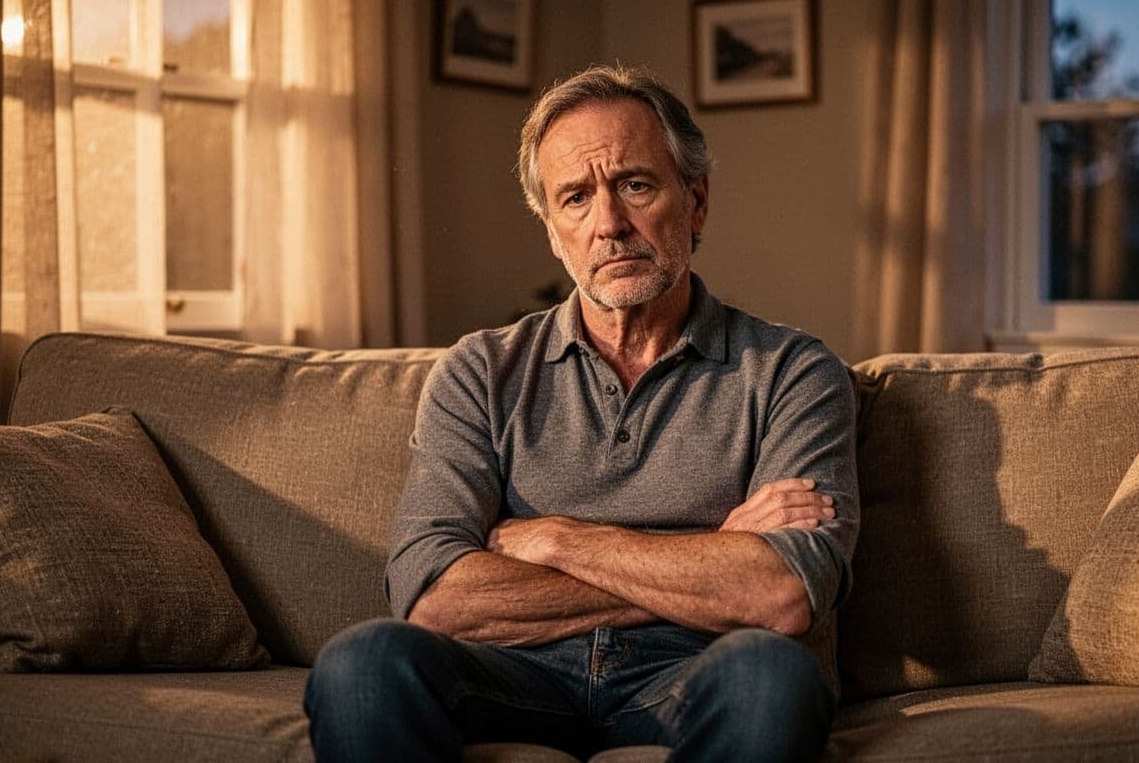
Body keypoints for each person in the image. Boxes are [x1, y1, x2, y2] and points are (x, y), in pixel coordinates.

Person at [303, 64, 859, 763]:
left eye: (634, 184)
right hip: (513, 670)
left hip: (691, 672)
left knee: (770, 675)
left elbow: (780, 594)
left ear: (697, 201)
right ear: (551, 232)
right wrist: (713, 554)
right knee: (364, 663)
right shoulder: (480, 370)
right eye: (575, 198)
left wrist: (560, 539)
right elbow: (433, 597)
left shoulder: (792, 371)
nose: (609, 225)